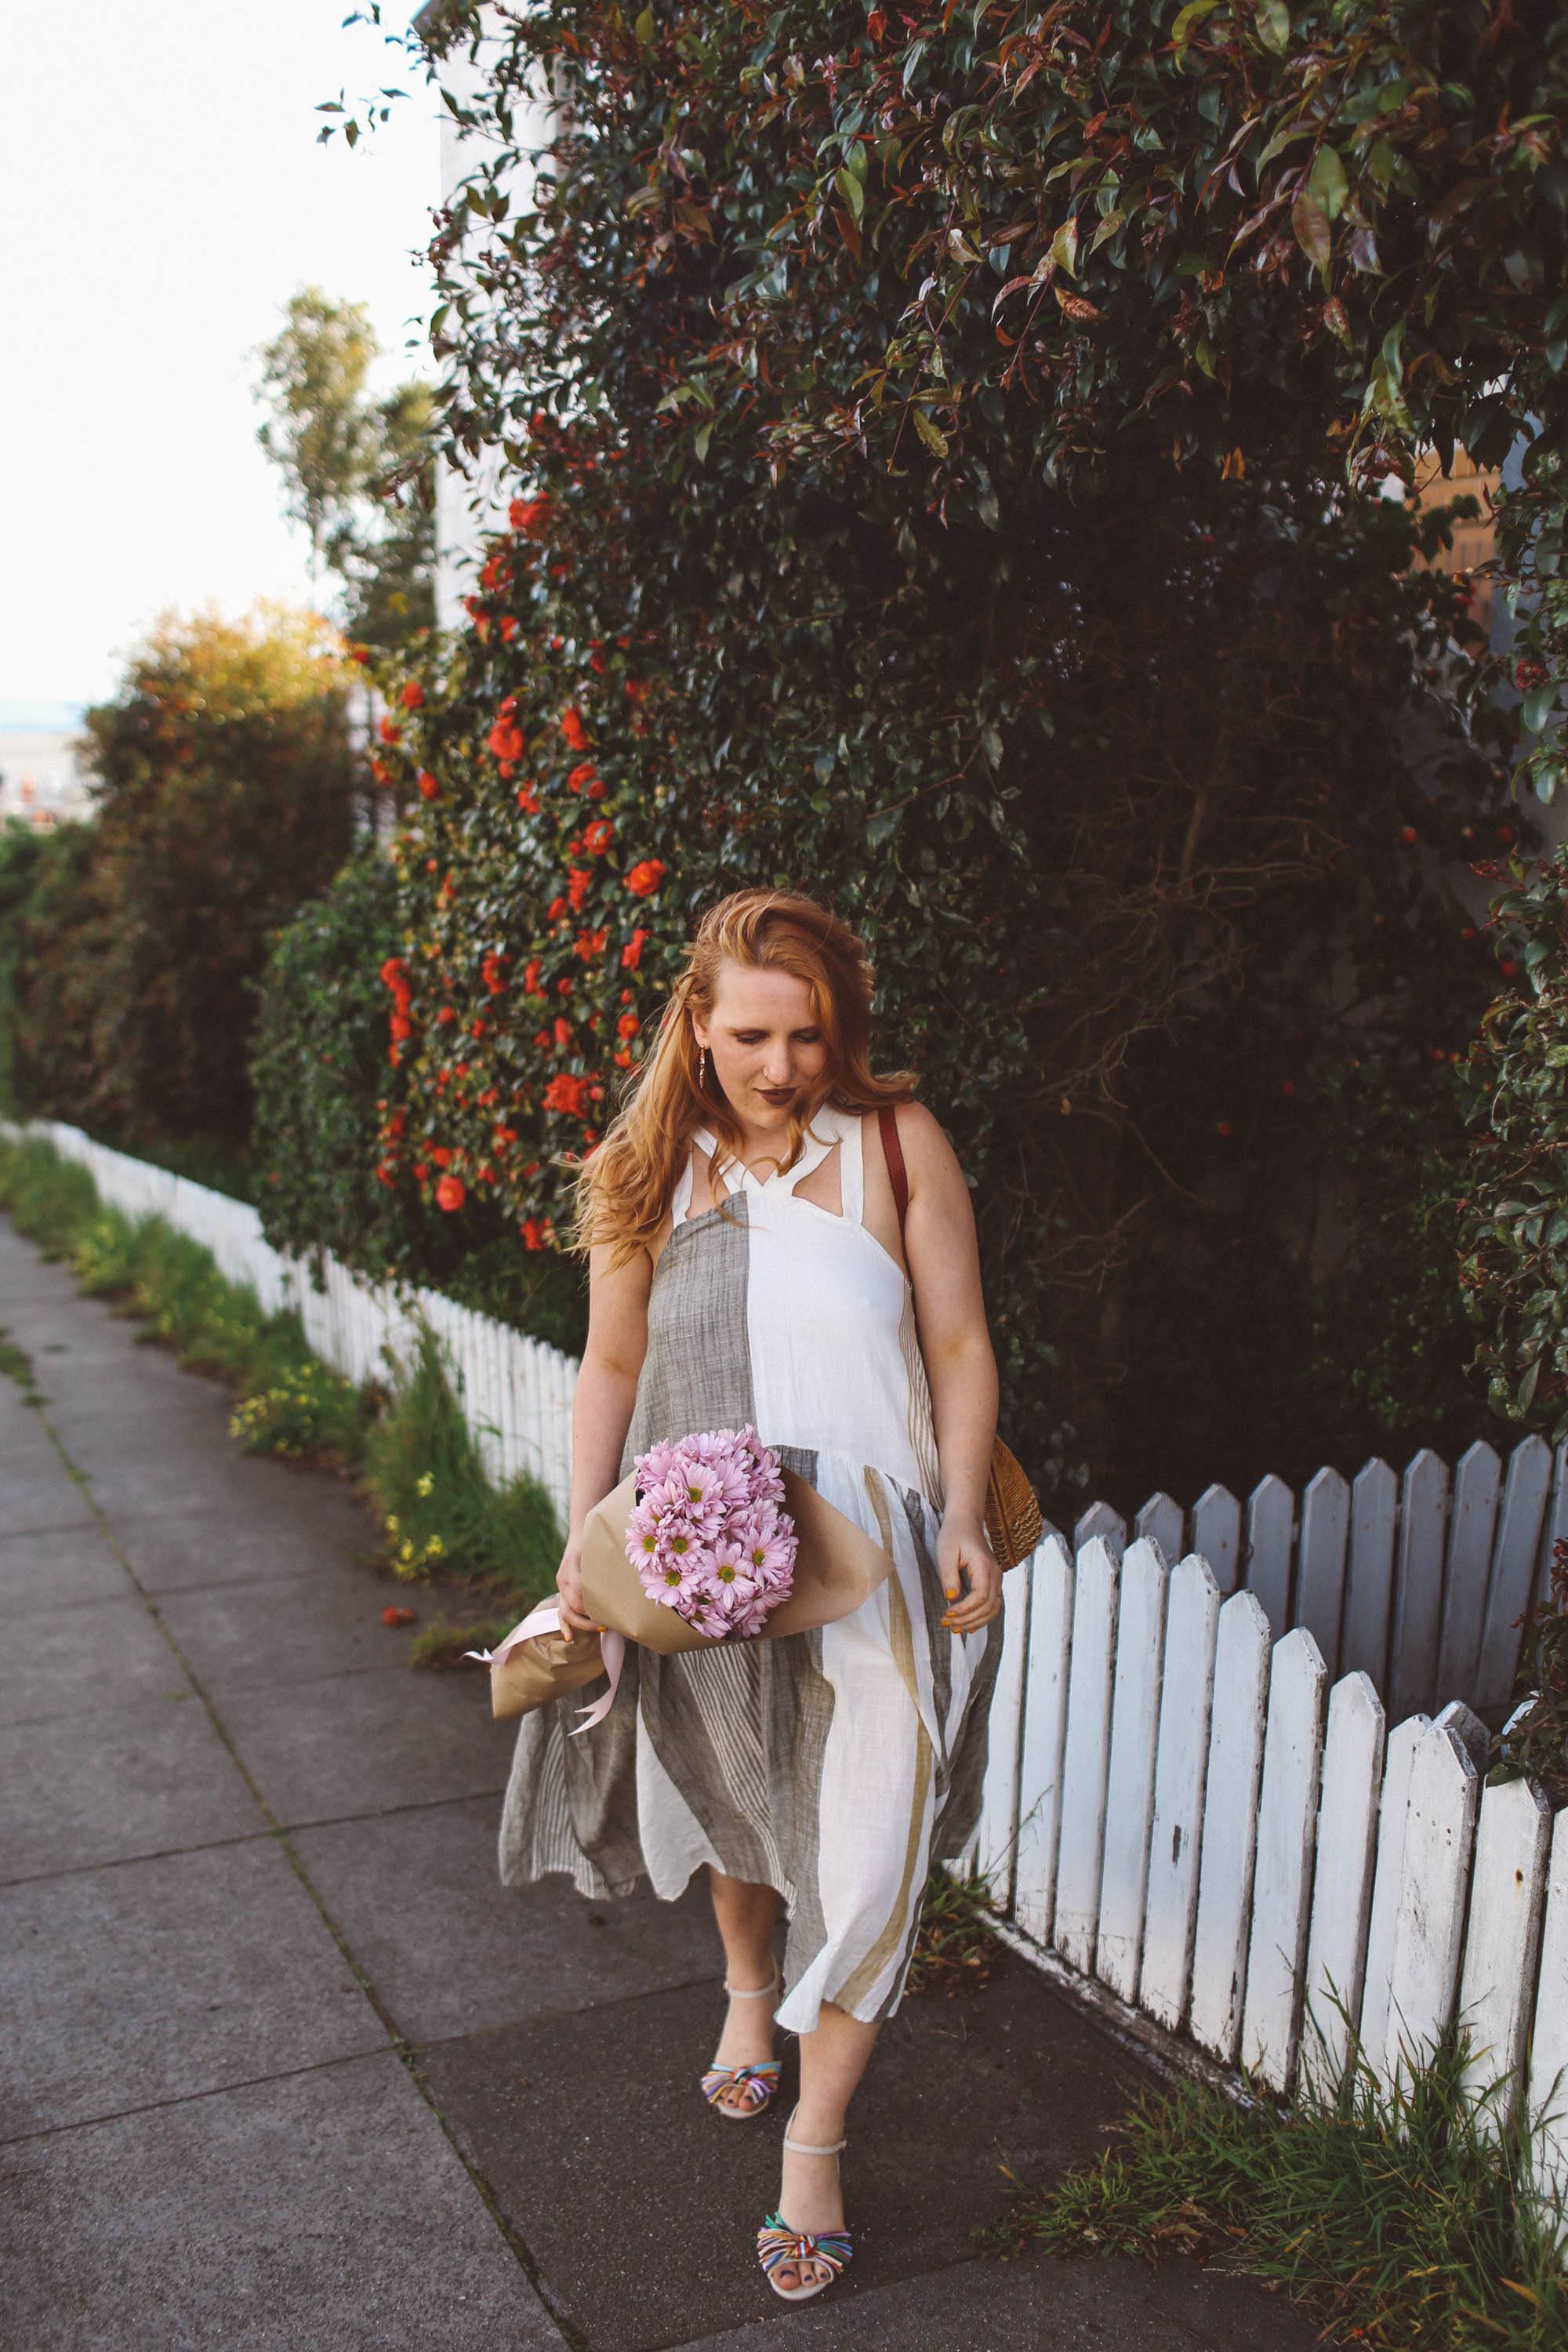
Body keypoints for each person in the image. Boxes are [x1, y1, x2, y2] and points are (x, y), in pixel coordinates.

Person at [498, 885, 1005, 2303]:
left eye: (811, 1034)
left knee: (875, 1848)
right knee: (735, 1782)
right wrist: (588, 1538)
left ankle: (817, 2140)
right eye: (755, 1036)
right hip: (705, 1547)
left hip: (882, 1556)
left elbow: (960, 1347)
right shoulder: (649, 1168)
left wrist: (963, 1514)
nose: (784, 1066)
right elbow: (609, 1368)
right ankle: (743, 1994)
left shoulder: (900, 1149)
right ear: (699, 1028)